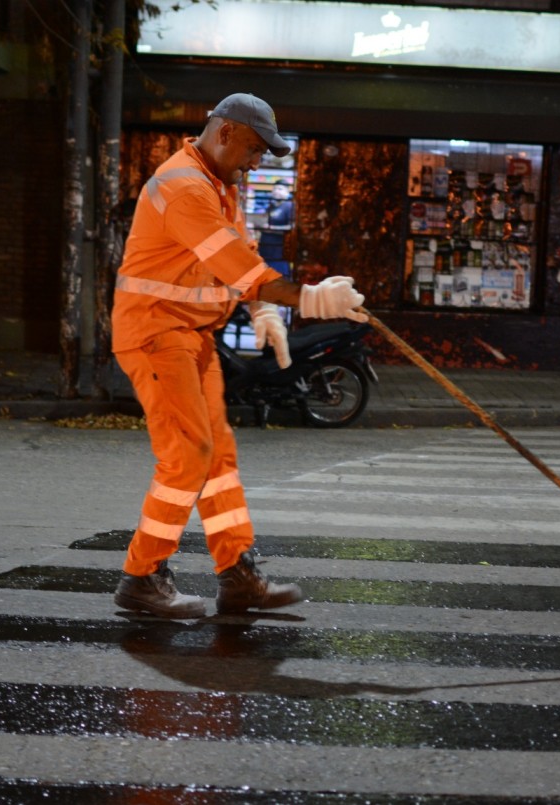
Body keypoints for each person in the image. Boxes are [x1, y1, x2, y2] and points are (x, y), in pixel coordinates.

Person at [110, 92, 367, 619]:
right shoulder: (184, 187)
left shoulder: (217, 185)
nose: (256, 164)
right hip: (156, 332)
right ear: (225, 132)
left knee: (217, 458)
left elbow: (238, 262)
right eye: (253, 150)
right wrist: (313, 299)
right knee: (188, 455)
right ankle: (141, 576)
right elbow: (240, 269)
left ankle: (237, 575)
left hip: (191, 336)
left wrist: (263, 314)